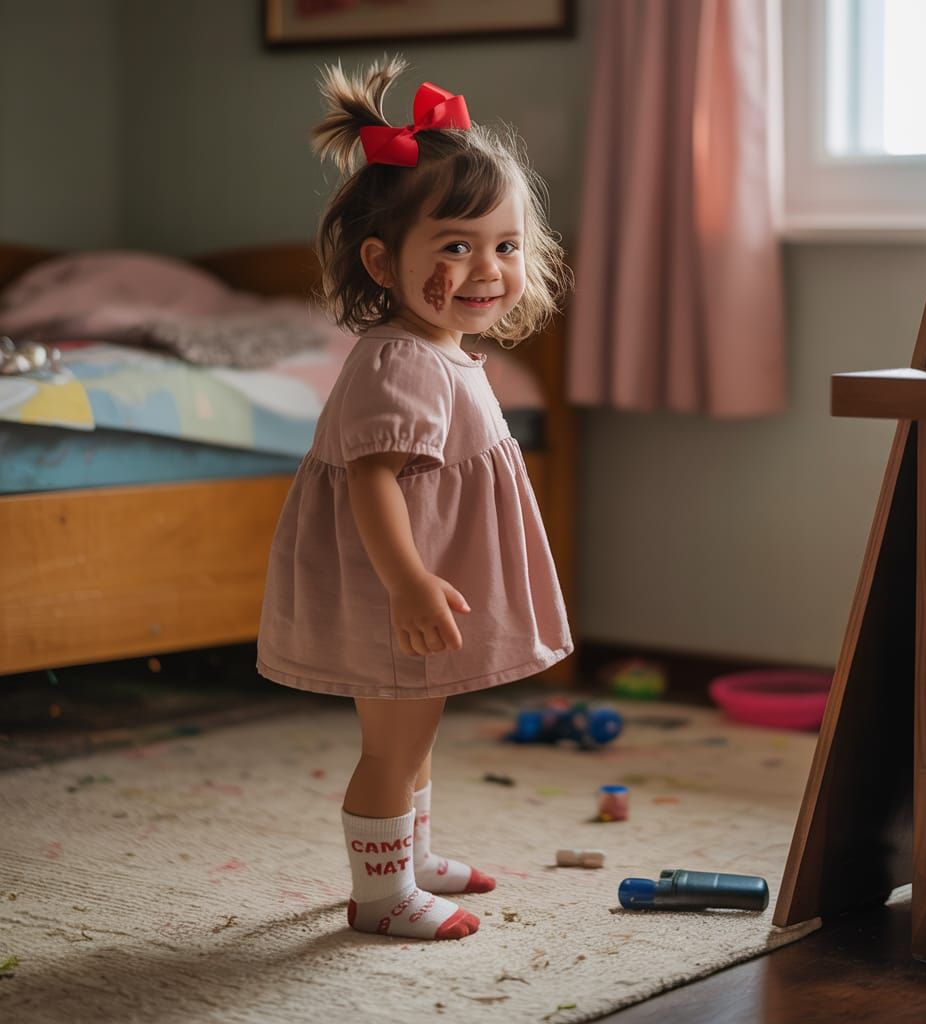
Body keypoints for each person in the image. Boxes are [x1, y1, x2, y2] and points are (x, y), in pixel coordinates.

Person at [256, 55, 574, 942]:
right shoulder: (399, 359)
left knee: (417, 729)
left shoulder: (443, 349)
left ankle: (411, 853)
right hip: (390, 585)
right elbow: (372, 480)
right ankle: (379, 895)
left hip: (415, 583)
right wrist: (407, 583)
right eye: (456, 247)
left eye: (504, 247)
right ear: (383, 262)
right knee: (393, 742)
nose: (487, 270)